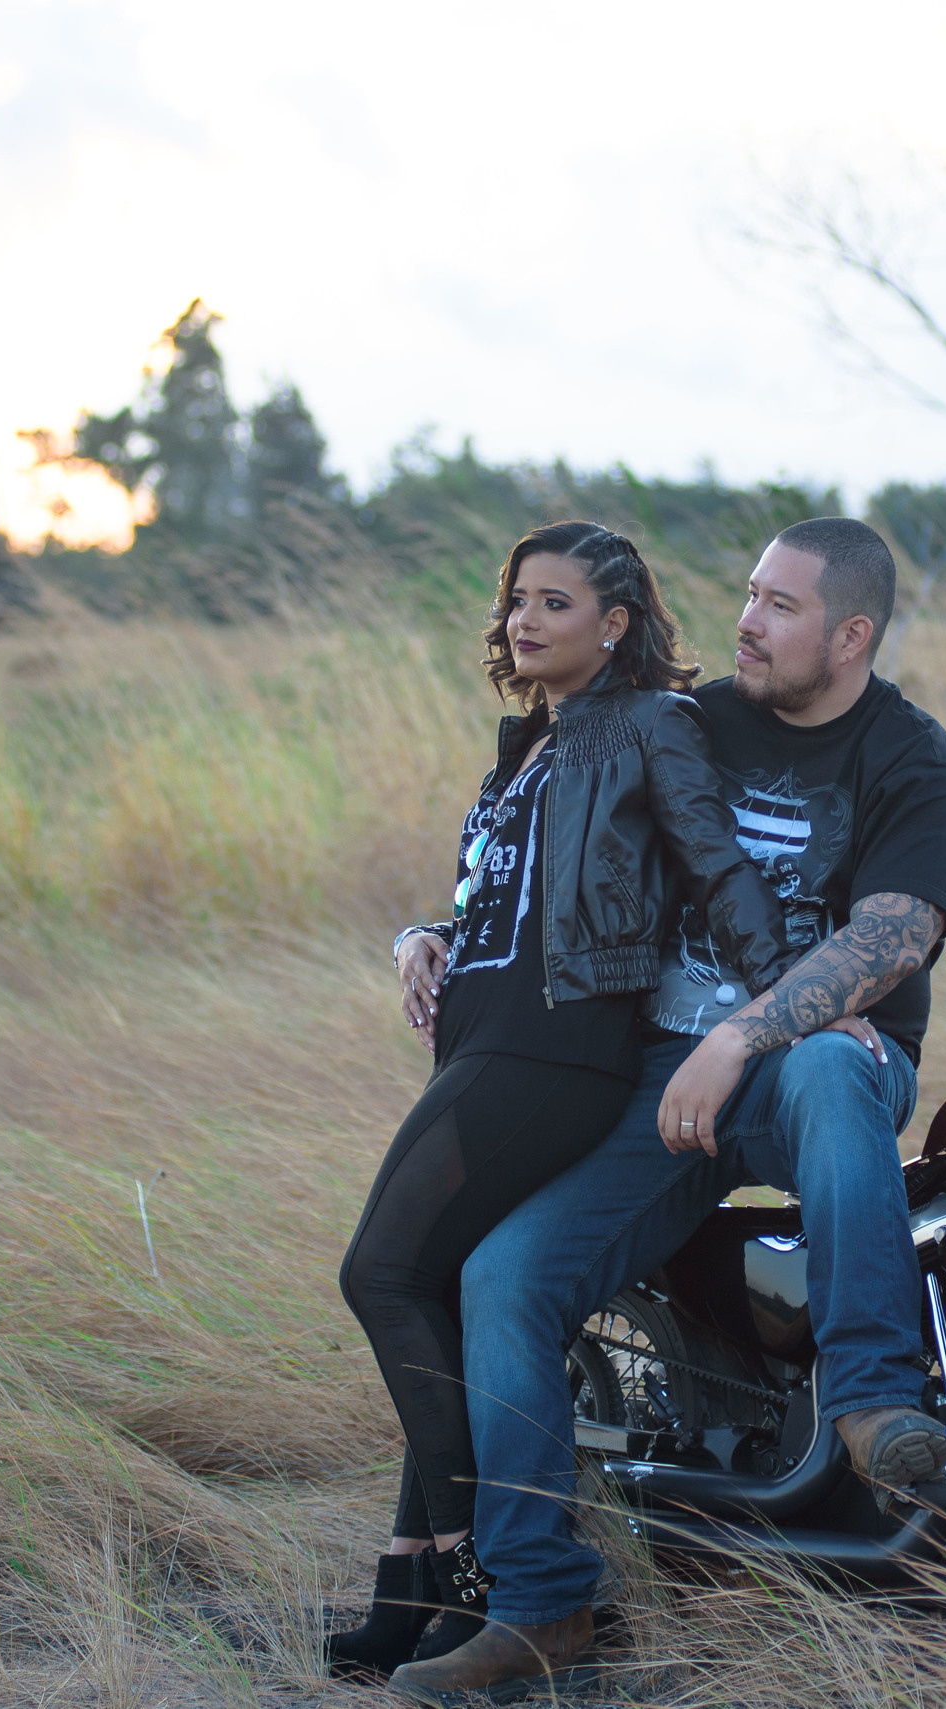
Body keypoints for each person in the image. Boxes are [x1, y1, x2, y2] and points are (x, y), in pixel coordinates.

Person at [388, 518, 946, 1705]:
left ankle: (871, 1401)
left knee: (821, 1067)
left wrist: (744, 1030)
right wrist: (438, 931)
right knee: (503, 1275)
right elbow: (553, 847)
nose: (747, 621)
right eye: (749, 595)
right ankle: (540, 1598)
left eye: (780, 606)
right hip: (650, 1077)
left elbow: (891, 935)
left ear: (851, 634)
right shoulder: (692, 719)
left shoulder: (913, 762)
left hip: (810, 1073)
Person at [326, 521, 795, 1682]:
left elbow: (714, 865)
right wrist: (419, 937)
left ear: (616, 622)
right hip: (486, 1034)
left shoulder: (652, 723)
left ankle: (477, 1574)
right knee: (431, 1284)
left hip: (557, 1046)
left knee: (378, 1273)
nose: (525, 620)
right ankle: (414, 1588)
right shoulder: (530, 743)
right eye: (518, 601)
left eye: (556, 602)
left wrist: (793, 999)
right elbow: (500, 895)